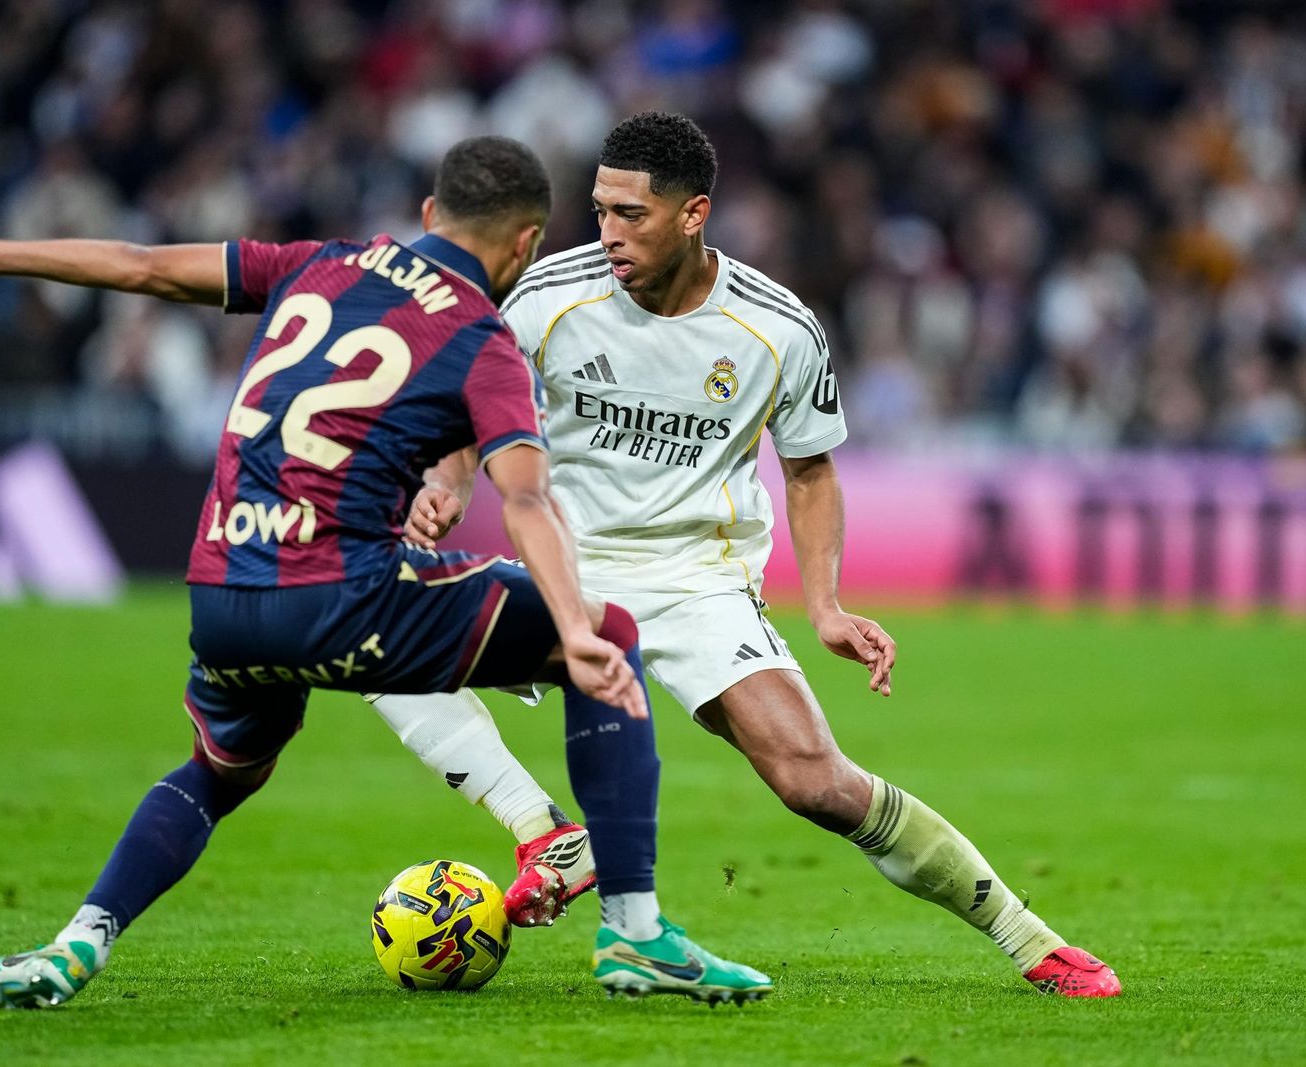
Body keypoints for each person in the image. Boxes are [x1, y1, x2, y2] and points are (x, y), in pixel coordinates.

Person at [0, 135, 772, 1008]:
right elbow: (528, 500)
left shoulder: (314, 263)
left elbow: (138, 264)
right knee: (608, 634)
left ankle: (75, 943)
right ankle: (634, 932)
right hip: (341, 593)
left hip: (221, 592)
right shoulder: (482, 335)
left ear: (426, 211)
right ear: (528, 244)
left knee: (219, 772)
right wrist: (574, 626)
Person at [368, 113, 1122, 998]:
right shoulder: (543, 294)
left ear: (694, 214)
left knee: (816, 782)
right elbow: (473, 400)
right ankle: (543, 831)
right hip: (564, 567)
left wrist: (828, 605)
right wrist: (451, 483)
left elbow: (808, 470)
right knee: (377, 635)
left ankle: (1028, 936)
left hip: (698, 582)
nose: (608, 232)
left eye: (632, 215)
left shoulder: (776, 329)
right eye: (601, 209)